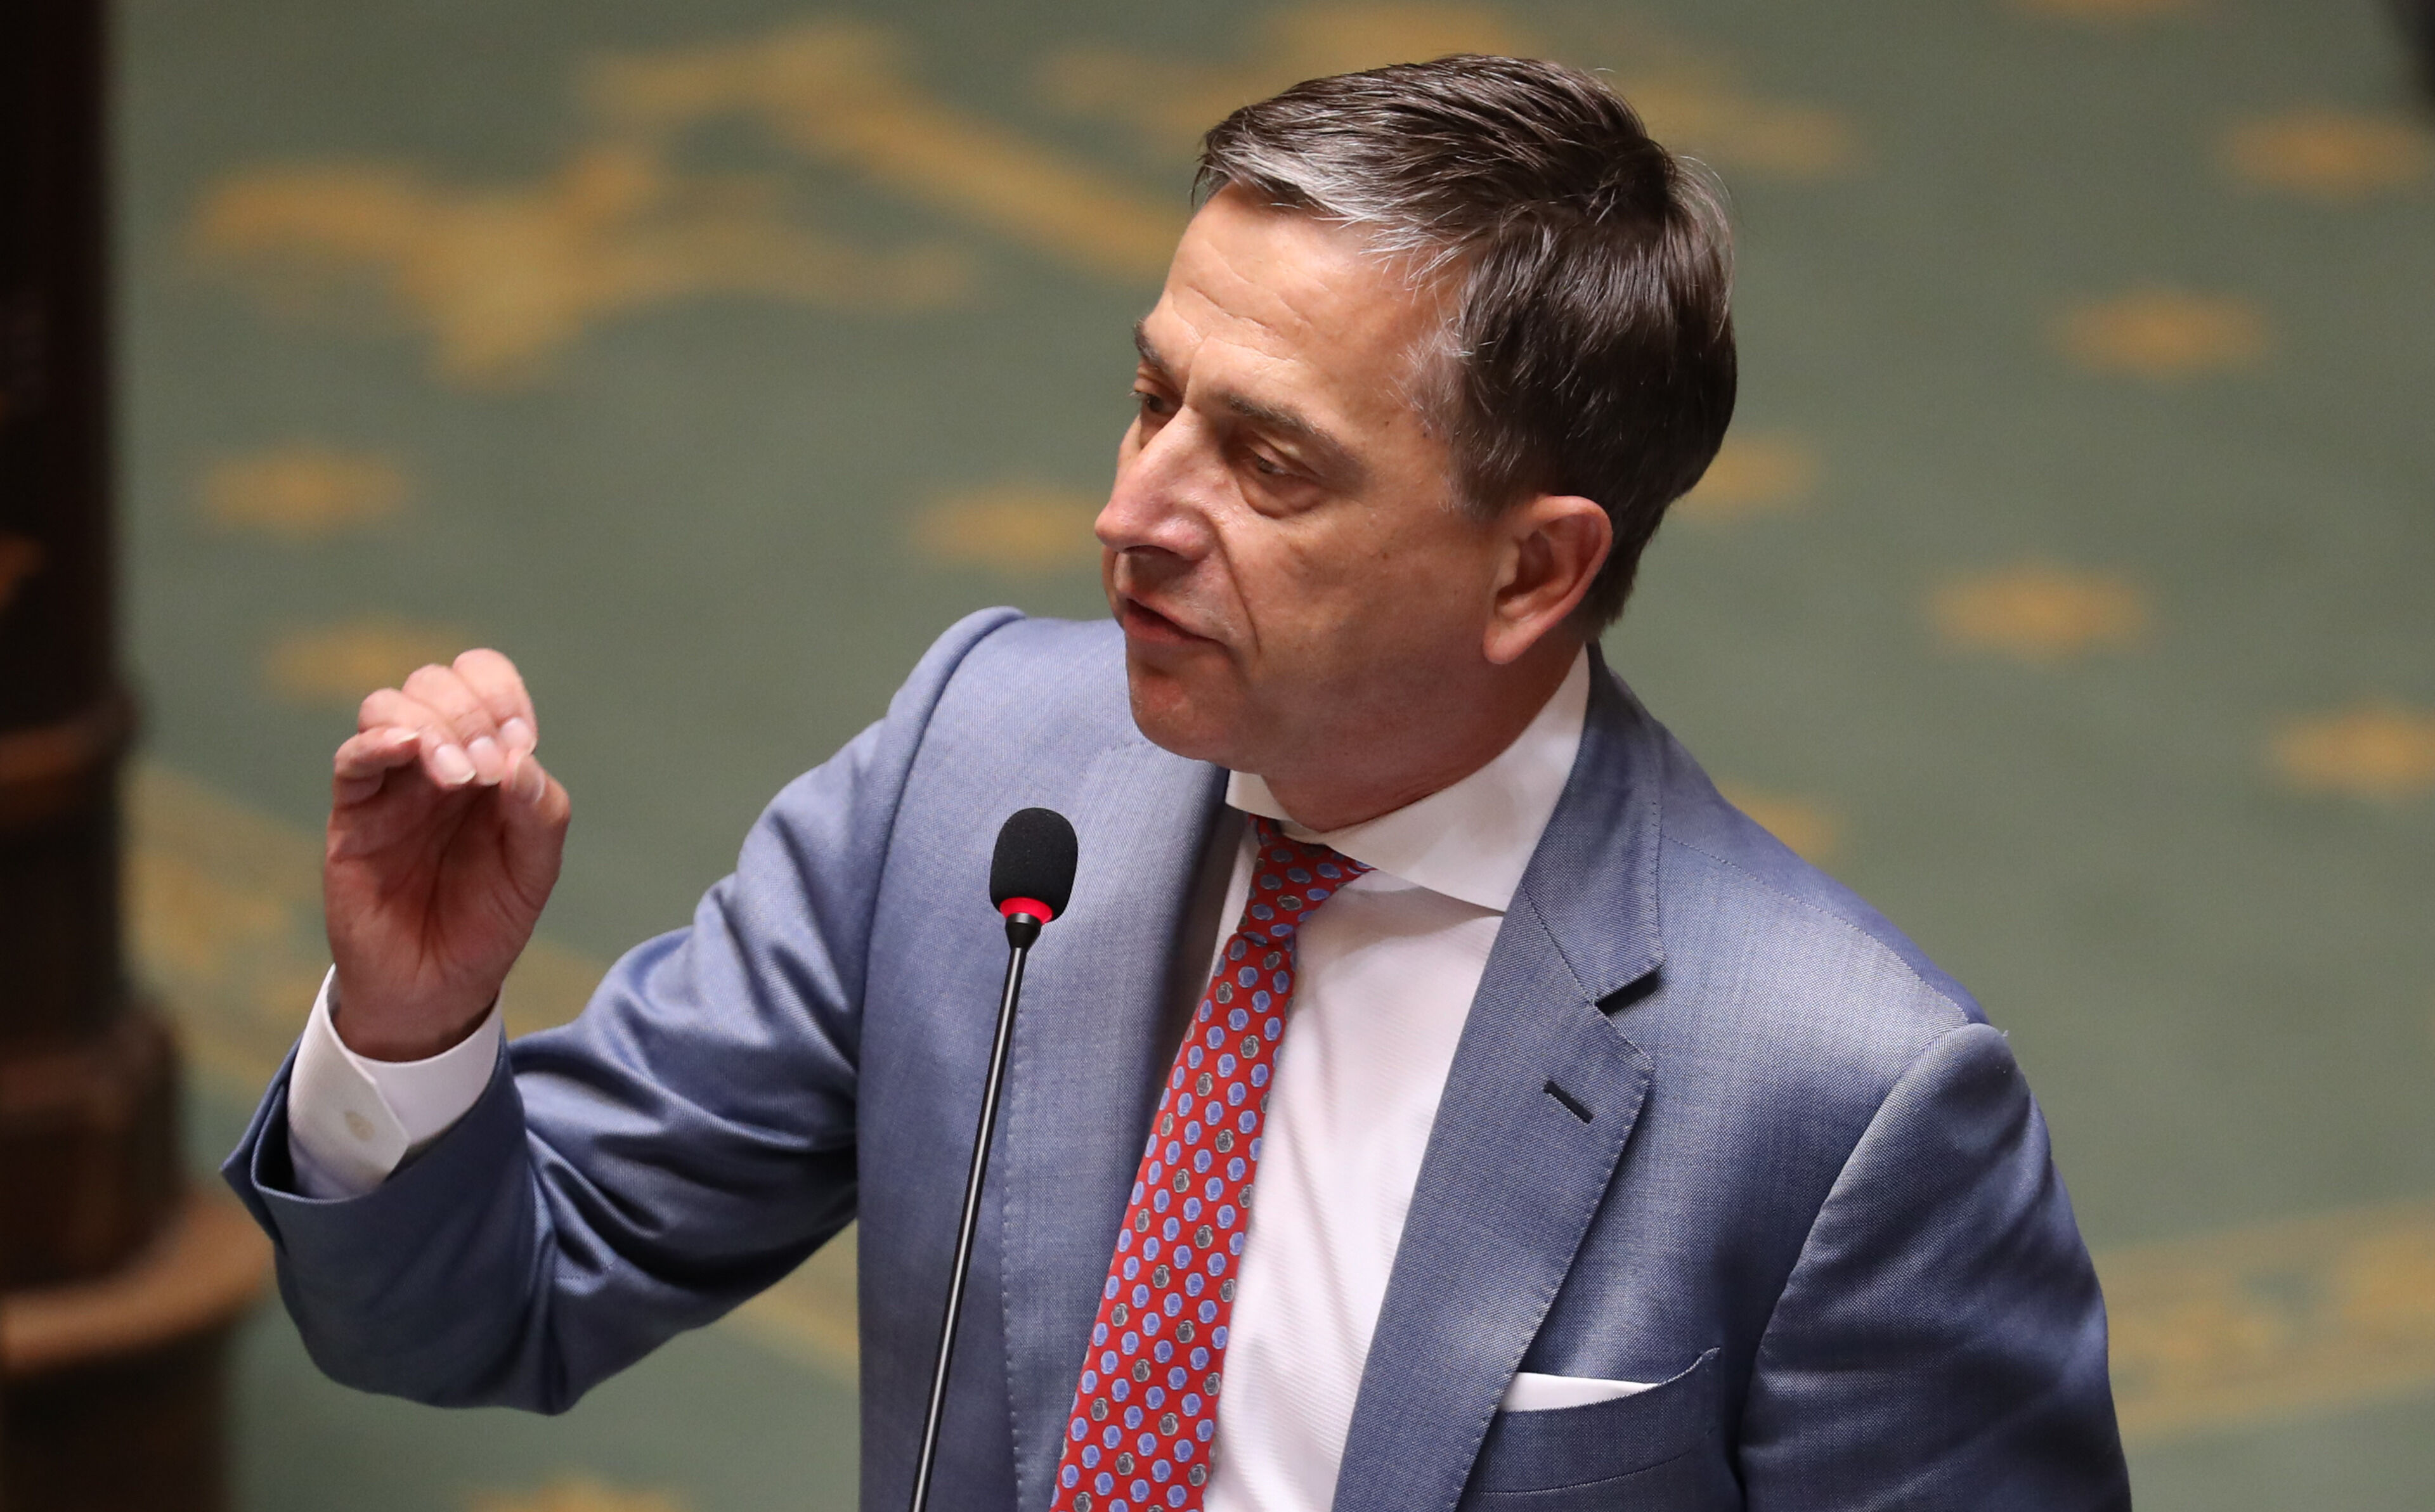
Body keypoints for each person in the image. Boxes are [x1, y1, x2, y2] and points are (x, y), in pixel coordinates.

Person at [226, 56, 2129, 1512]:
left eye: (1269, 465)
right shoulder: (980, 771)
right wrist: (415, 1020)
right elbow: (474, 1305)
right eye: (1154, 400)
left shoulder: (1840, 1104)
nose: (1131, 514)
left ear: (1534, 570)